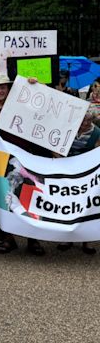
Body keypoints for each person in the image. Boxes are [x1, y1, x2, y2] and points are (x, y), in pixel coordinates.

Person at [0, 74, 47, 256]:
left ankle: (32, 238)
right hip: (0, 160)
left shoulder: (20, 105)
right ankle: (7, 237)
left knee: (28, 196)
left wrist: (37, 86)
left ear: (9, 89)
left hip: (25, 158)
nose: (0, 90)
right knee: (4, 197)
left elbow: (42, 107)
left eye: (3, 87)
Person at [55, 109, 99, 254]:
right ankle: (67, 238)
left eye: (88, 120)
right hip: (67, 171)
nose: (85, 123)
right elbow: (55, 147)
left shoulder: (97, 133)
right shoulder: (68, 128)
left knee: (86, 206)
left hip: (86, 174)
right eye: (82, 120)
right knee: (68, 205)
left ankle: (87, 241)